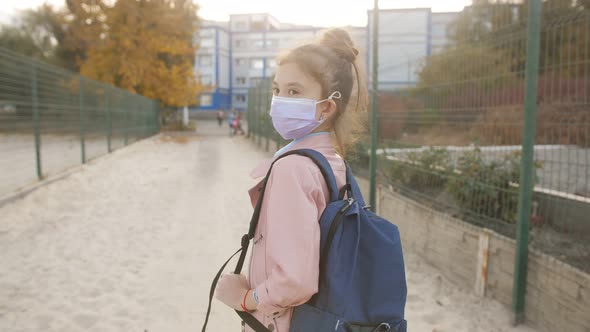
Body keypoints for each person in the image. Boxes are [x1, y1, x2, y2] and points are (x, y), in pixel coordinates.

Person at [214, 28, 367, 332]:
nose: (280, 101)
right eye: (277, 90)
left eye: (294, 91)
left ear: (326, 106)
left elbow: (295, 281)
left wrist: (245, 298)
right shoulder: (333, 163)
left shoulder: (293, 168)